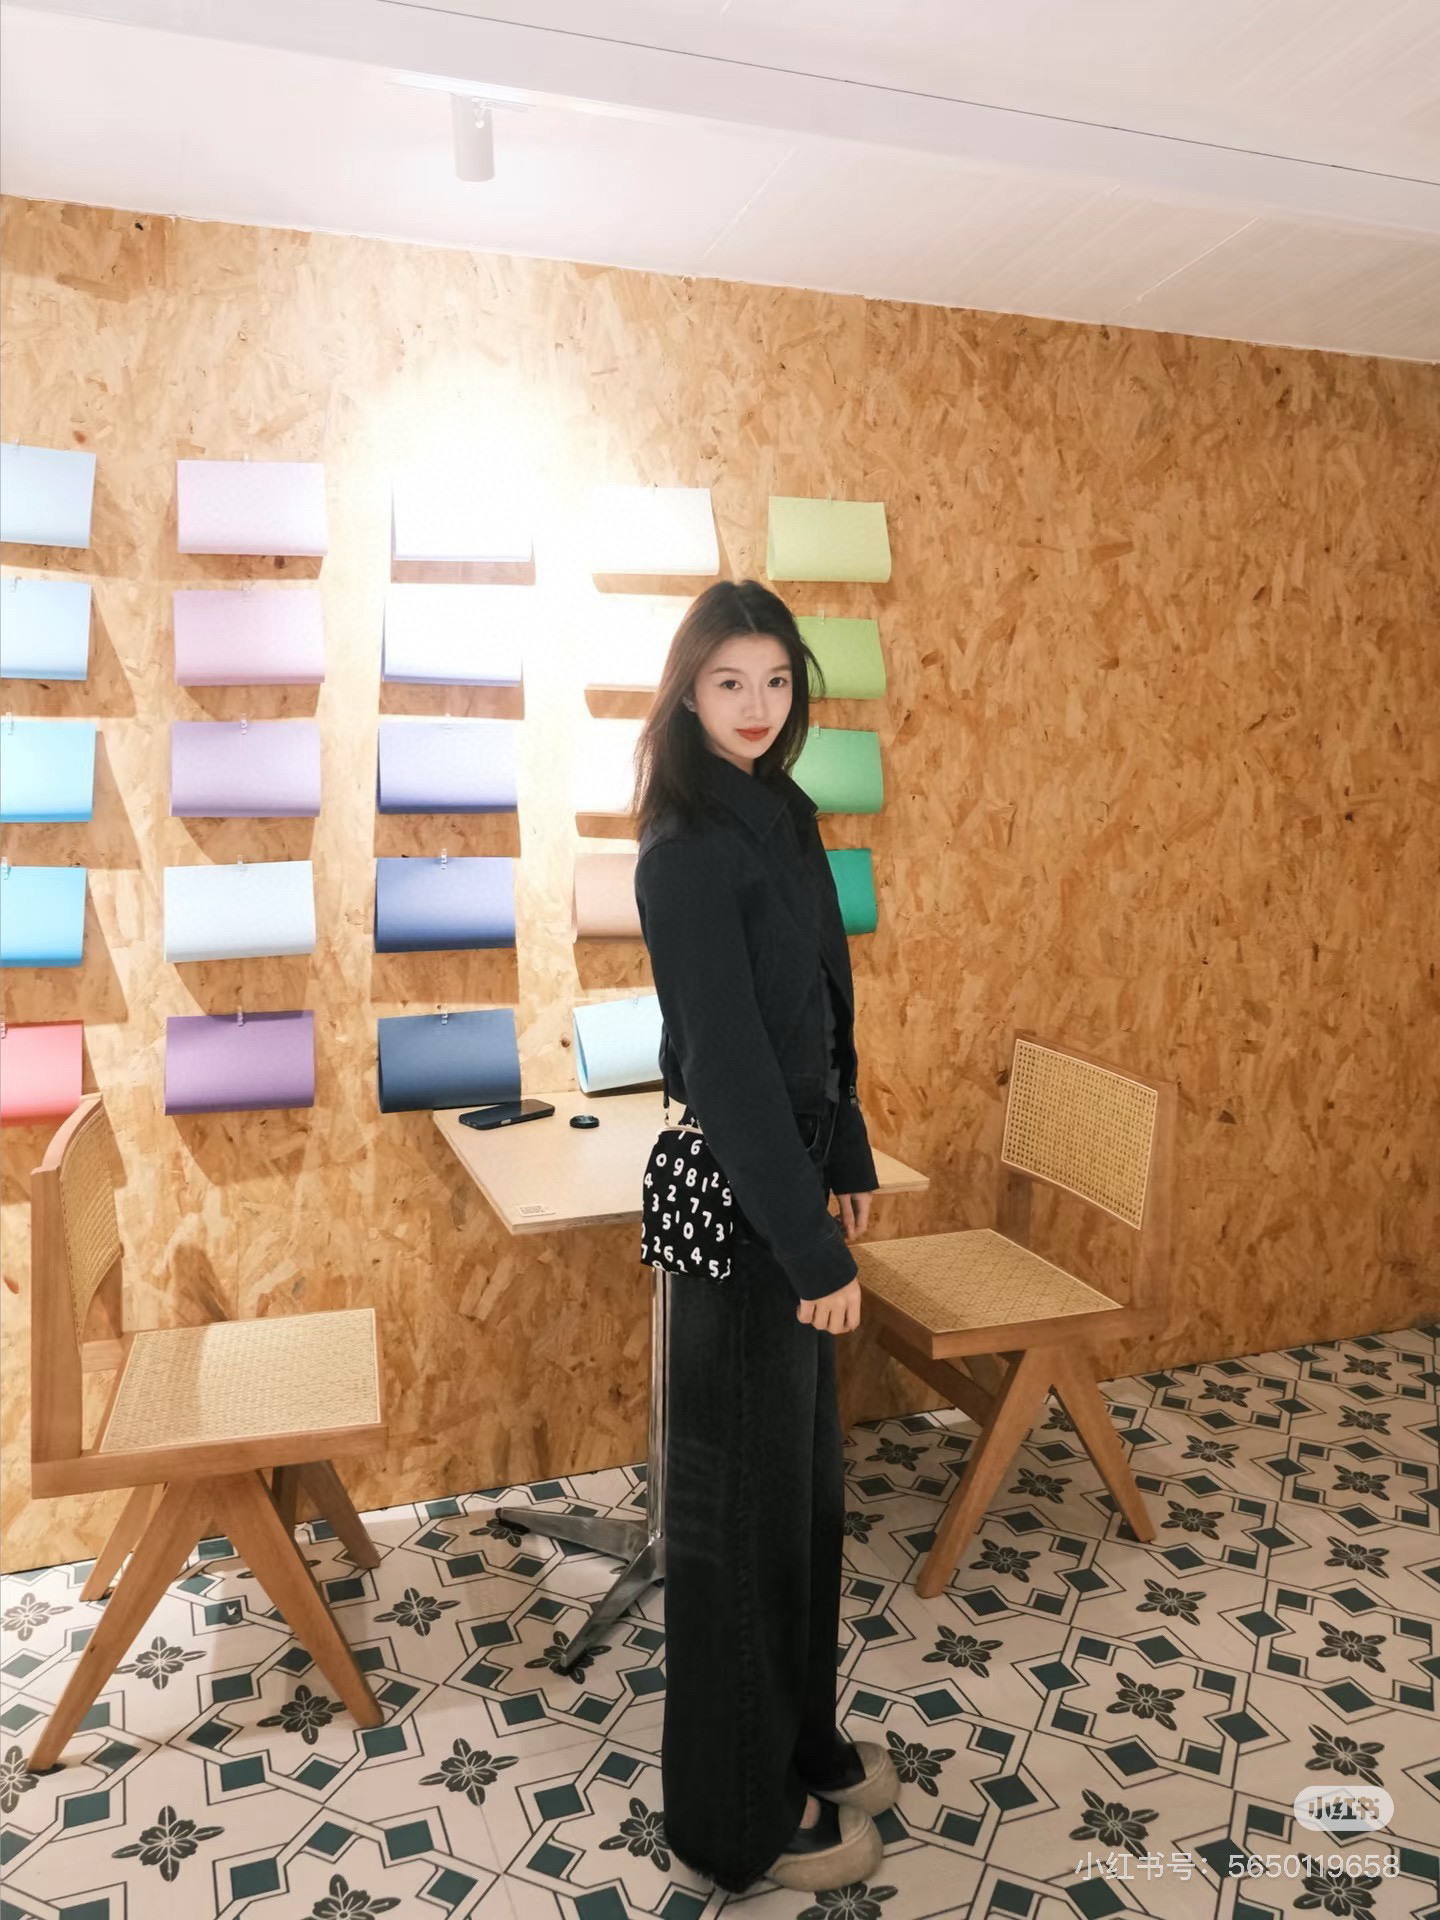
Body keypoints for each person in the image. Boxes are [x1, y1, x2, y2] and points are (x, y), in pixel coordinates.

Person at [632, 579, 899, 1895]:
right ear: (689, 693)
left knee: (802, 1506)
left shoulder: (784, 814)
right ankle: (733, 1820)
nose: (756, 705)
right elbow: (731, 1071)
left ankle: (798, 1739)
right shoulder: (683, 850)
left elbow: (823, 1014)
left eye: (776, 681)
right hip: (743, 1207)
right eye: (730, 682)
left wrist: (846, 1159)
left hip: (793, 1181)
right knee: (736, 1525)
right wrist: (813, 1247)